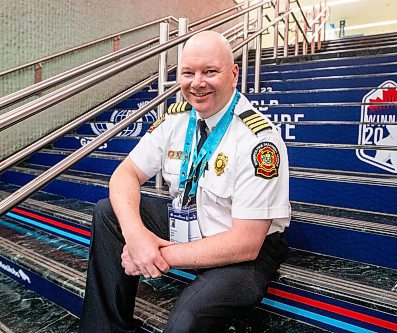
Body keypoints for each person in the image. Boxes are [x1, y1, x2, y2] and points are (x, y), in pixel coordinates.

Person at [79, 30, 290, 333]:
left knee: (184, 322)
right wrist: (137, 236)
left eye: (210, 72)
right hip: (190, 226)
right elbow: (125, 174)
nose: (197, 83)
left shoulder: (258, 140)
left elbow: (245, 242)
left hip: (243, 252)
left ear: (233, 74)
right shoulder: (176, 119)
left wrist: (155, 256)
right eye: (188, 72)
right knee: (108, 212)